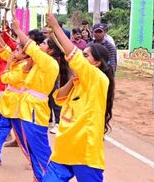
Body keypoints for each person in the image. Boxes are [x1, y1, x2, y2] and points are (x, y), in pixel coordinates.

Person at [44, 13, 115, 182]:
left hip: (85, 151)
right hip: (64, 149)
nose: (81, 57)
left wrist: (56, 27)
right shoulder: (81, 81)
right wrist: (72, 82)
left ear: (97, 63)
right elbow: (58, 98)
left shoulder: (98, 78)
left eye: (86, 55)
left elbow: (73, 55)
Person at [11, 17, 68, 181]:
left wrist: (18, 30)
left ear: (49, 51)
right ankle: (39, 177)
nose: (40, 45)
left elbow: (31, 48)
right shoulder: (41, 61)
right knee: (33, 149)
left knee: (40, 149)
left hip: (35, 108)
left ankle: (47, 177)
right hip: (29, 106)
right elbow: (29, 56)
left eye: (43, 44)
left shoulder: (48, 62)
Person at [0, 42, 32, 167]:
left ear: (25, 54)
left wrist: (9, 63)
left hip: (18, 105)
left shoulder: (24, 66)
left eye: (18, 50)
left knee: (23, 136)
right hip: (8, 103)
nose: (15, 52)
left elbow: (5, 78)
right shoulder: (18, 62)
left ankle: (33, 161)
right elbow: (5, 50)